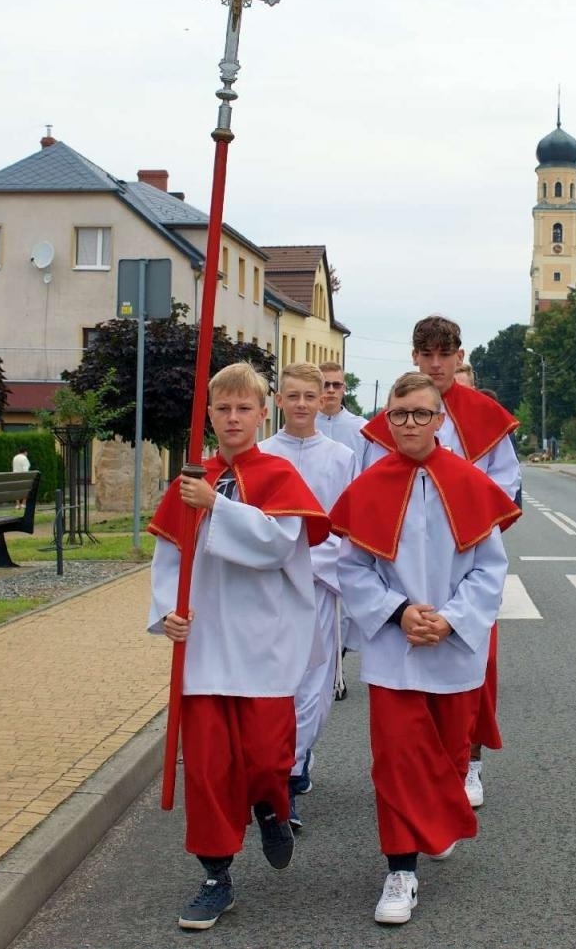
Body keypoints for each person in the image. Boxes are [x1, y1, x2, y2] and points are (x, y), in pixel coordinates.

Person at [146, 362, 330, 931]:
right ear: (209, 414)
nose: (232, 418)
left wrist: (217, 506)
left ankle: (271, 802)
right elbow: (170, 557)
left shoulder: (277, 475)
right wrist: (167, 615)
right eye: (222, 409)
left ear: (261, 413)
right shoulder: (191, 482)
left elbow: (276, 545)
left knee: (267, 756)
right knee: (206, 770)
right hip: (204, 644)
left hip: (261, 642)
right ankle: (215, 875)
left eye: (243, 408)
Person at [330, 372, 519, 926]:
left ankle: (437, 818)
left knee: (449, 756)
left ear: (440, 420)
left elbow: (490, 569)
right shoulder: (367, 486)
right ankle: (401, 871)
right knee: (394, 762)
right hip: (394, 649)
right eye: (399, 415)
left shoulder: (470, 483)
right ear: (386, 422)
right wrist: (399, 611)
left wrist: (451, 619)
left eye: (420, 414)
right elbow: (352, 567)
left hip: (453, 650)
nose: (409, 424)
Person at [358, 314, 520, 808]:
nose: (435, 364)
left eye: (444, 356)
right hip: (403, 563)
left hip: (462, 556)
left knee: (476, 662)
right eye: (426, 355)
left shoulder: (485, 416)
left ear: (458, 357)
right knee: (403, 687)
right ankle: (418, 782)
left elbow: (508, 485)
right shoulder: (393, 419)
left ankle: (466, 760)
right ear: (414, 357)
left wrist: (463, 504)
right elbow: (368, 491)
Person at [259, 362, 357, 831]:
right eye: (291, 396)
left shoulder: (340, 457)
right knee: (278, 685)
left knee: (314, 691)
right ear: (279, 401)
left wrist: (316, 565)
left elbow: (345, 526)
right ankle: (286, 781)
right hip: (270, 589)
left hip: (318, 585)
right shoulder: (260, 455)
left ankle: (297, 758)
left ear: (323, 401)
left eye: (309, 396)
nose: (300, 405)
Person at [315, 361, 368, 460]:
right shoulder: (304, 426)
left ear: (344, 388)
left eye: (336, 385)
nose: (331, 390)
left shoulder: (362, 429)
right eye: (325, 385)